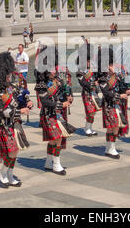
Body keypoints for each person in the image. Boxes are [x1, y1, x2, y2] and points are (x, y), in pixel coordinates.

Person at [0, 52, 33, 188]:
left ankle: (9, 174)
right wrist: (21, 112)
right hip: (5, 125)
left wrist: (28, 102)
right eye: (7, 74)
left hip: (15, 125)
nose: (9, 76)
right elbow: (3, 112)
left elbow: (21, 99)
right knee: (12, 151)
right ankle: (2, 173)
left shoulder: (12, 88)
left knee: (15, 151)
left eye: (9, 74)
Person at [34, 46, 72, 175]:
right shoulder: (41, 84)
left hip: (57, 114)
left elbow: (65, 91)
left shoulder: (58, 80)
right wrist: (61, 105)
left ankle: (48, 162)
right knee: (57, 138)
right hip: (48, 114)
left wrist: (69, 96)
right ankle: (56, 164)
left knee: (54, 139)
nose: (54, 70)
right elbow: (45, 102)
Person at [76, 43, 100, 136]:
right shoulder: (80, 70)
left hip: (94, 92)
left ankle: (89, 127)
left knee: (93, 112)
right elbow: (83, 83)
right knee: (90, 111)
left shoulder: (93, 68)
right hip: (86, 93)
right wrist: (93, 84)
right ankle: (87, 128)